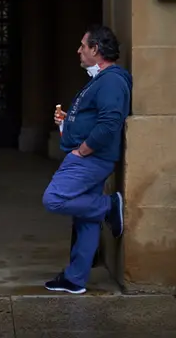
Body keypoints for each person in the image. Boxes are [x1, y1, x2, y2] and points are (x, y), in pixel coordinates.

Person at [42, 24, 132, 294]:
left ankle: (107, 207)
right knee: (86, 221)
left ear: (96, 49)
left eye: (83, 45)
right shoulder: (101, 80)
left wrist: (82, 150)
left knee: (54, 198)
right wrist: (68, 122)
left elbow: (109, 123)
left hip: (89, 159)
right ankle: (76, 279)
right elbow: (95, 117)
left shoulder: (112, 80)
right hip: (89, 156)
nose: (79, 50)